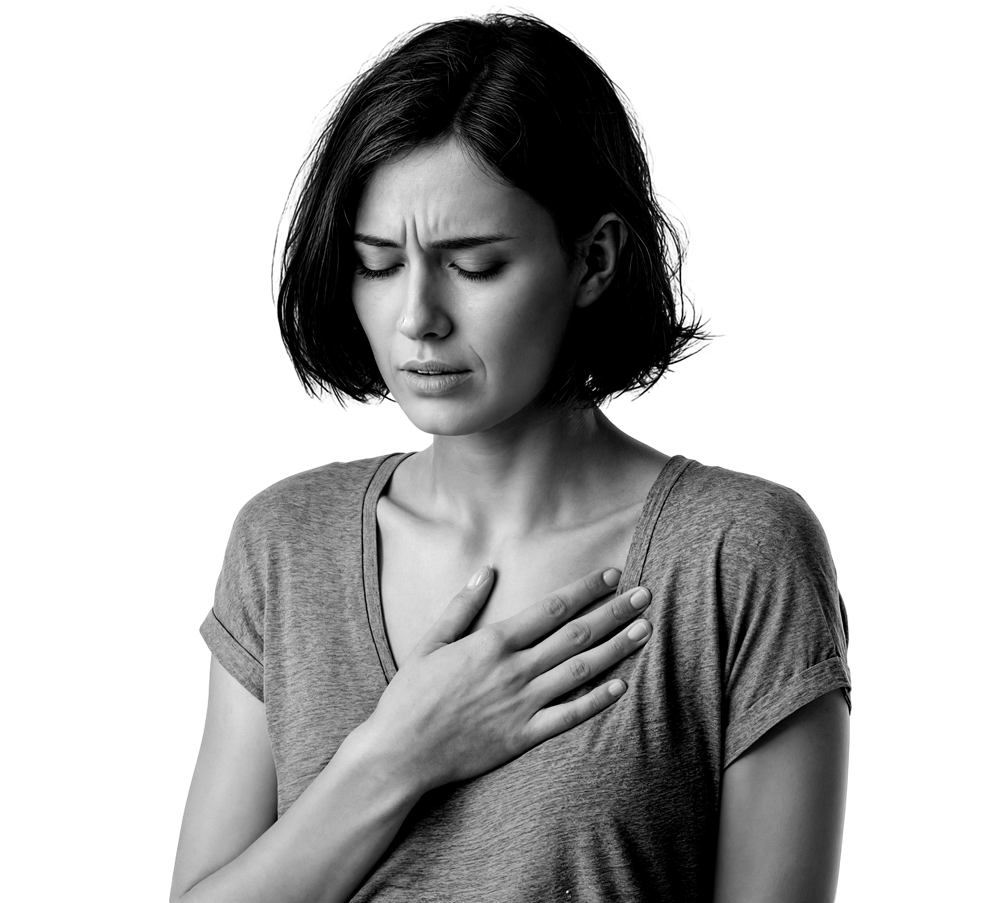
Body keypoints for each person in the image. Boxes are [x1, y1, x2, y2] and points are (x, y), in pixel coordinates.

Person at [171, 9, 852, 903]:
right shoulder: (284, 544)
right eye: (378, 264)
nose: (418, 316)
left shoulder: (735, 553)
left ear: (593, 260)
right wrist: (394, 755)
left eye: (476, 264)